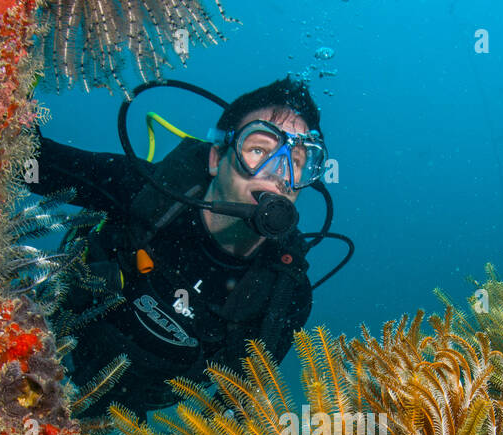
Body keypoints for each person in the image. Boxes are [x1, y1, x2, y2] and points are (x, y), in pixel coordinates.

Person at [32, 78, 328, 415]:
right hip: (41, 342)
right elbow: (34, 166)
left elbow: (232, 411)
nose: (278, 174)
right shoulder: (146, 192)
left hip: (118, 412)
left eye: (299, 162)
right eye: (259, 150)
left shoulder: (285, 293)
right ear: (217, 158)